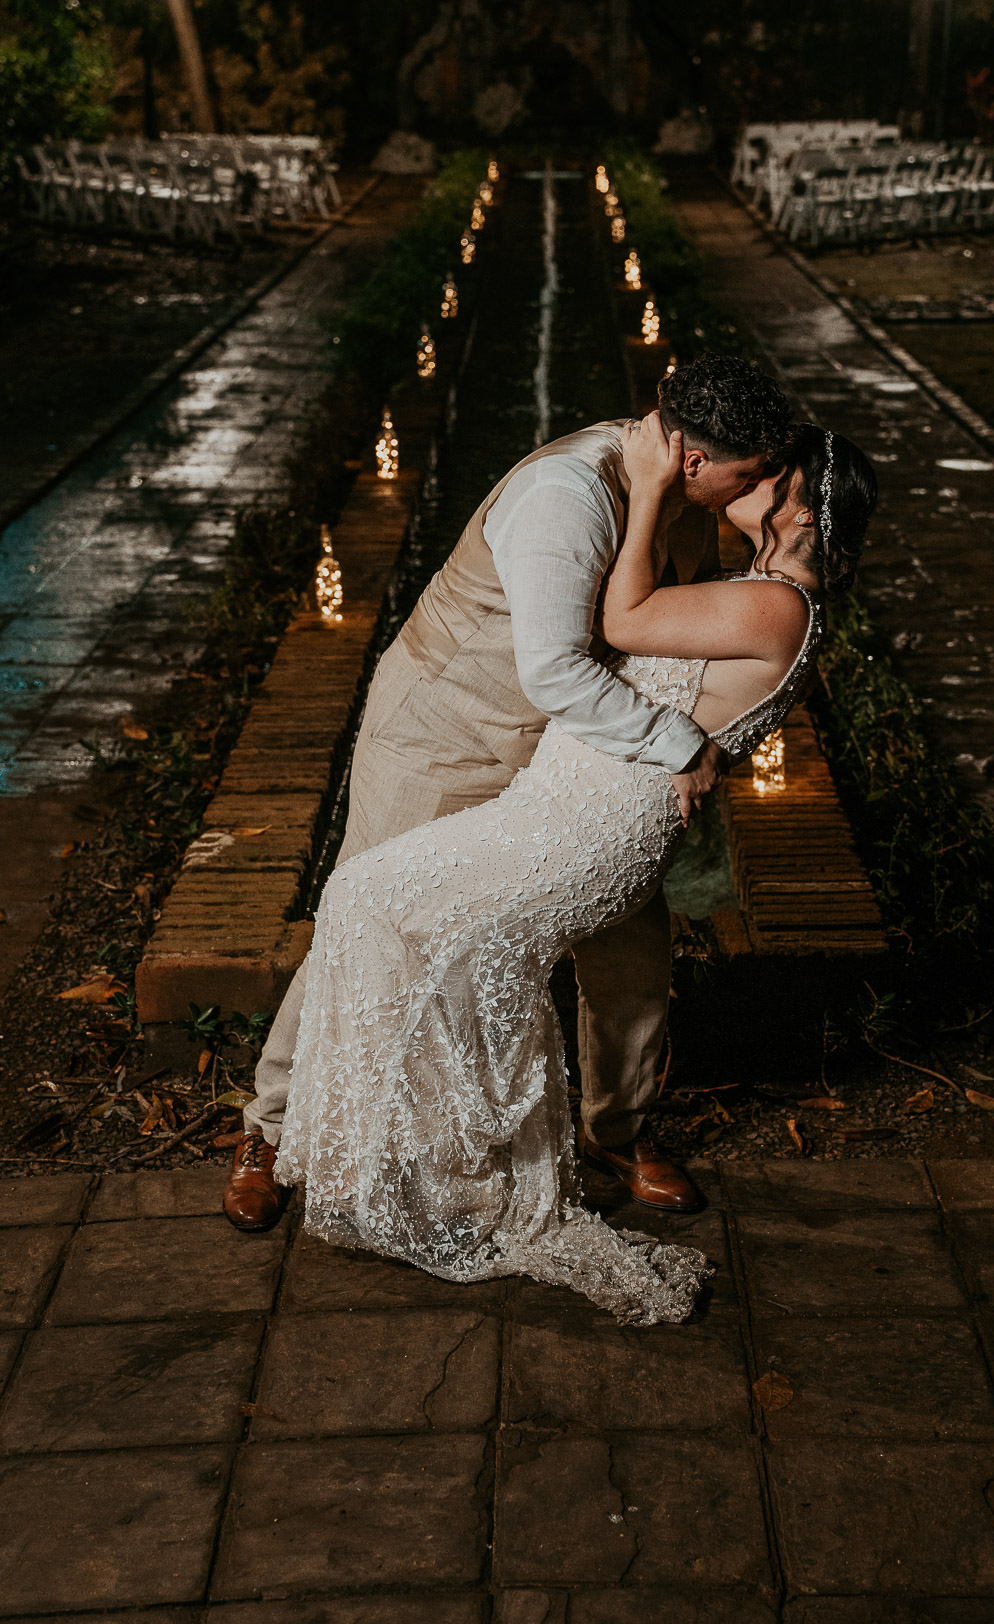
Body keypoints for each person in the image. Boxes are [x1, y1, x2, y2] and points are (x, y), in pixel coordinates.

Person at [273, 412, 877, 1324]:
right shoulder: (748, 577)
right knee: (380, 902)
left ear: (797, 504)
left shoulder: (773, 601)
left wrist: (641, 500)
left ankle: (503, 1167)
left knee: (404, 913)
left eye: (767, 473)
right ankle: (322, 1134)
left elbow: (620, 619)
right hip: (542, 779)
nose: (740, 485)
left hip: (591, 817)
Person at [225, 355, 796, 1232]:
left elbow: (655, 628)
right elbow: (558, 669)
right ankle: (273, 1126)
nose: (757, 489)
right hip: (447, 733)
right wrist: (682, 743)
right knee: (370, 911)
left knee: (631, 940)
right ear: (691, 459)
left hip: (576, 754)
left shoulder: (686, 494)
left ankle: (618, 1128)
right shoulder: (564, 498)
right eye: (748, 475)